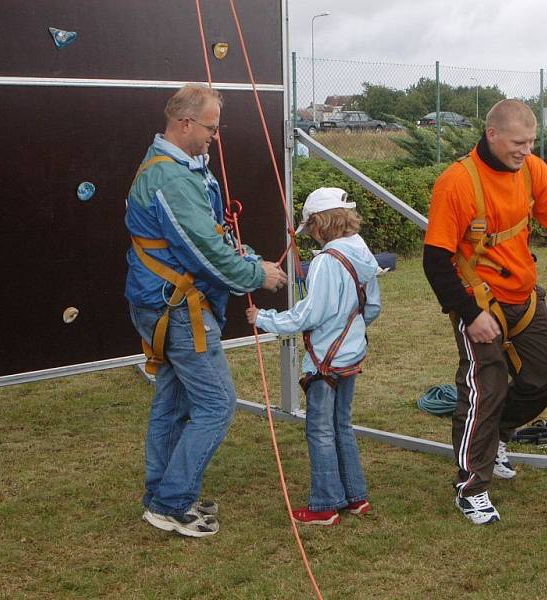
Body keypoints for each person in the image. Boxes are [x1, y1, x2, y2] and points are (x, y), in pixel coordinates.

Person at [125, 83, 287, 537]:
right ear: (185, 124)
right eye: (211, 128)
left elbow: (211, 237)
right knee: (217, 405)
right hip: (177, 309)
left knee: (174, 404)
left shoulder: (181, 170)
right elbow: (204, 251)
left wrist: (250, 260)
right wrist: (258, 276)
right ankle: (172, 503)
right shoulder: (171, 179)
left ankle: (163, 495)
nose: (216, 136)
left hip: (166, 303)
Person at [423, 99, 547, 525]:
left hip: (524, 294)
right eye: (519, 142)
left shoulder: (532, 170)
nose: (526, 150)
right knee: (487, 388)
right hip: (477, 304)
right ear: (492, 134)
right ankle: (472, 486)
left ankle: (497, 436)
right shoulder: (457, 183)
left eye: (532, 142)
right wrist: (468, 313)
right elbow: (435, 260)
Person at [246, 187, 381, 526]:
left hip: (325, 362)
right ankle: (355, 496)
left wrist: (264, 319)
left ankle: (324, 505)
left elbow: (309, 315)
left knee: (320, 430)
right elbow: (373, 307)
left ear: (320, 224)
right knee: (341, 425)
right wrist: (347, 329)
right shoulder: (362, 252)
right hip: (350, 355)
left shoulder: (325, 261)